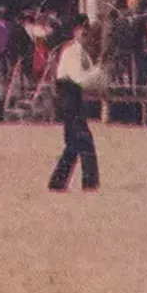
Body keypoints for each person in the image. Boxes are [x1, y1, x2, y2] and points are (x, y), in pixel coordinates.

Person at [48, 14, 102, 192]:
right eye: (84, 30)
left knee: (73, 142)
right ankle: (90, 183)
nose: (86, 34)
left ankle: (57, 181)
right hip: (69, 95)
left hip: (71, 95)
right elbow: (79, 78)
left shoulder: (78, 50)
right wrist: (97, 74)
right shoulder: (73, 51)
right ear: (76, 30)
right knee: (84, 139)